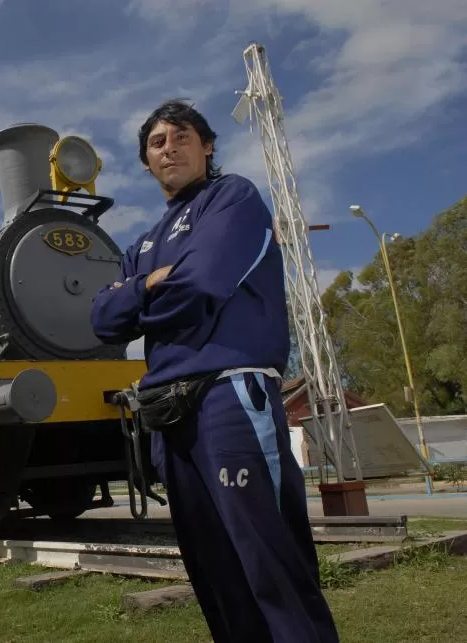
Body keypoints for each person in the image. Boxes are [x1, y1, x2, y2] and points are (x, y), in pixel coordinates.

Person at [90, 100, 339, 643]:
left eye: (181, 137)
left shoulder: (233, 198)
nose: (169, 148)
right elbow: (102, 321)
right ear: (146, 163)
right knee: (214, 570)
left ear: (206, 147)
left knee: (267, 560)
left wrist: (143, 295)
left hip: (229, 397)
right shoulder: (143, 244)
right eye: (157, 143)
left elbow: (198, 286)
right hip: (169, 415)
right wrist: (145, 284)